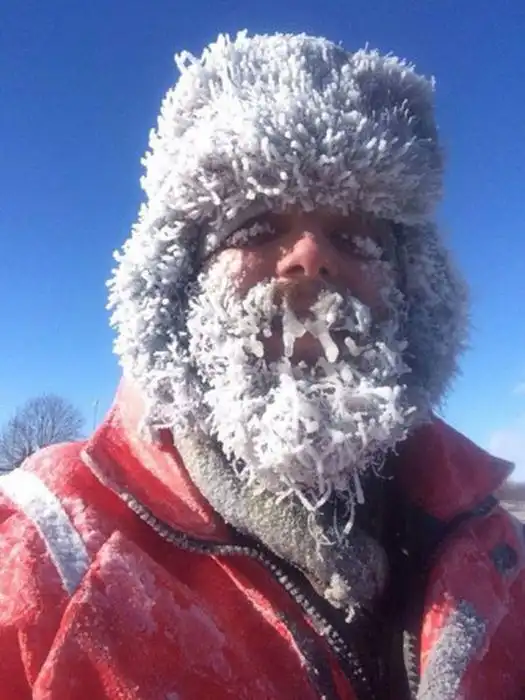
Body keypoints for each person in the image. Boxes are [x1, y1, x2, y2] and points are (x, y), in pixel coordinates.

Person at [0, 31, 523, 700]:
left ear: (412, 287)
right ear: (181, 284)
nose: (310, 256)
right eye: (254, 226)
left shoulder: (501, 555)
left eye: (354, 233)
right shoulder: (40, 559)